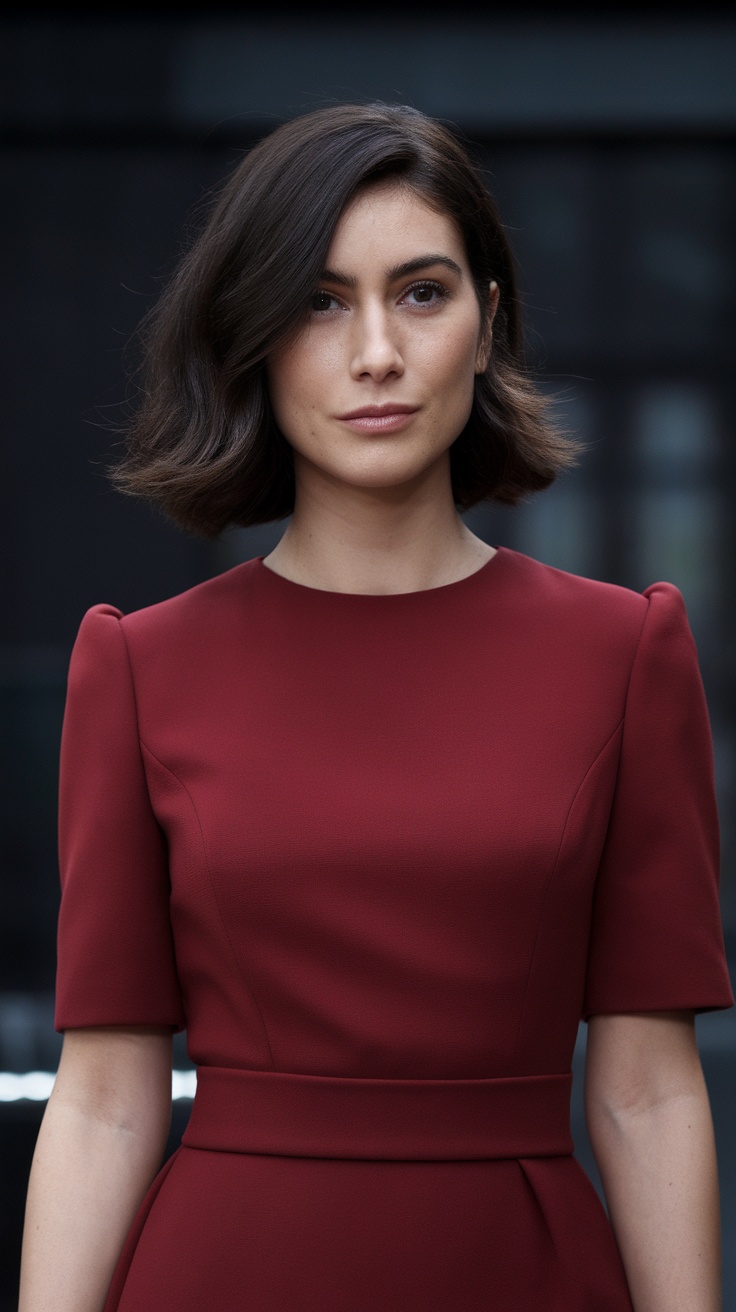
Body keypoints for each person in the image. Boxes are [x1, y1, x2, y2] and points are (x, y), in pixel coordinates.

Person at [19, 102, 733, 1312]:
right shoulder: (138, 668)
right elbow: (102, 1095)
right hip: (224, 1274)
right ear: (252, 336)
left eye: (419, 292)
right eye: (317, 300)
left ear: (487, 320)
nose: (375, 356)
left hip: (524, 1271)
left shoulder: (623, 652)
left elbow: (647, 1086)